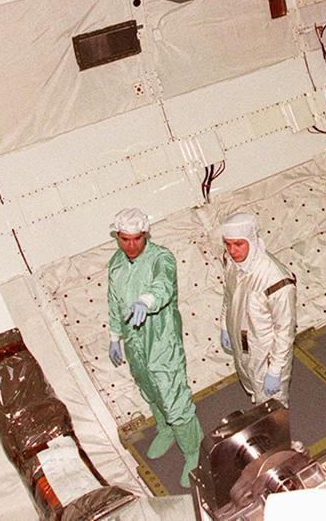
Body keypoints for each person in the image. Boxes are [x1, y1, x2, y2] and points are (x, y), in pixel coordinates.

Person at [106, 208, 203, 486]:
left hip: (162, 340)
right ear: (118, 237)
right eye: (125, 239)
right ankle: (166, 429)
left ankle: (194, 450)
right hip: (134, 339)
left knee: (173, 395)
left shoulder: (161, 257)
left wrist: (145, 301)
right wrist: (115, 336)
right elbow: (113, 301)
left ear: (146, 234)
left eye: (137, 238)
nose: (131, 245)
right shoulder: (116, 264)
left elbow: (164, 284)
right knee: (148, 387)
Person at [219, 213, 297, 407]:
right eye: (228, 244)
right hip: (243, 347)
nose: (232, 250)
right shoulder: (232, 263)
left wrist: (276, 369)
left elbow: (285, 330)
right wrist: (224, 325)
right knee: (255, 390)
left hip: (266, 353)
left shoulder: (276, 280)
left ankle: (279, 435)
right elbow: (228, 297)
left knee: (273, 405)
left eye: (238, 244)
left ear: (252, 241)